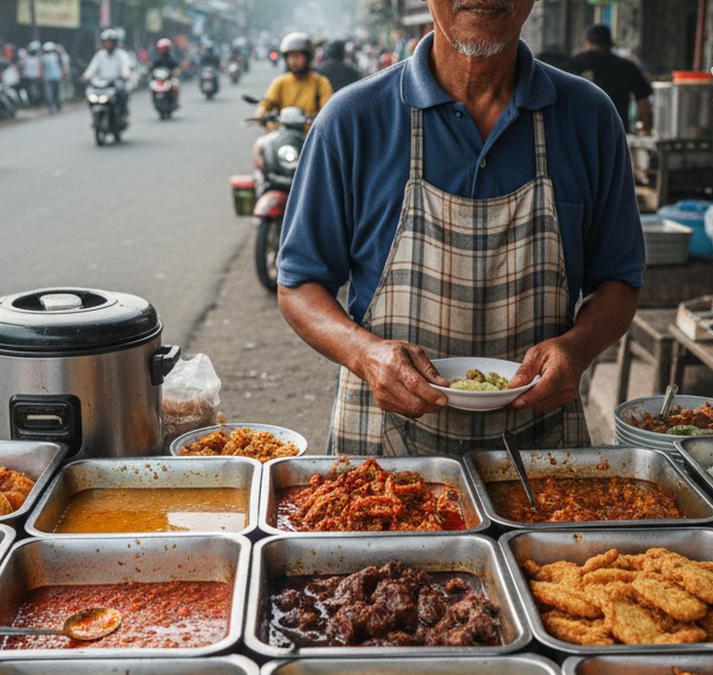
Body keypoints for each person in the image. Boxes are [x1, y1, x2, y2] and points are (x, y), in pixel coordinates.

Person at [275, 0, 644, 455]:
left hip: (539, 453)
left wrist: (579, 348)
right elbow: (299, 285)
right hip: (384, 455)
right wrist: (364, 354)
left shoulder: (589, 118)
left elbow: (619, 281)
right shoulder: (352, 119)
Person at [568, 24, 652, 134]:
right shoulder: (627, 66)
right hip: (617, 132)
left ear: (586, 43)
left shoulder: (576, 62)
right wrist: (646, 128)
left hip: (581, 132)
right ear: (610, 44)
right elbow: (643, 102)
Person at [256, 33, 331, 119]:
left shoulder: (320, 83)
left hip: (310, 131)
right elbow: (267, 103)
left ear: (308, 57)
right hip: (282, 130)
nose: (293, 61)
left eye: (297, 56)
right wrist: (260, 114)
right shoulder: (280, 81)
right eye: (290, 56)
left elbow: (327, 110)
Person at [83, 29, 133, 119]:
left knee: (122, 94)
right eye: (106, 42)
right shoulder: (100, 54)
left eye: (110, 42)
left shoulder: (121, 54)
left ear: (115, 43)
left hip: (116, 82)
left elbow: (125, 67)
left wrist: (125, 75)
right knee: (90, 94)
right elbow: (92, 67)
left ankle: (123, 114)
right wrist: (86, 76)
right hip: (101, 83)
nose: (108, 44)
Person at [149, 38, 180, 106]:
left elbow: (176, 68)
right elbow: (152, 67)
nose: (163, 49)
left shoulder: (172, 58)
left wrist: (175, 72)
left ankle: (175, 101)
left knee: (176, 86)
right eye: (162, 48)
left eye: (165, 48)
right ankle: (154, 100)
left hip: (169, 78)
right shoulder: (156, 59)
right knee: (151, 86)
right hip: (159, 79)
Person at [41, 41, 62, 112]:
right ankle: (55, 106)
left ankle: (54, 106)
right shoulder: (56, 56)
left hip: (51, 77)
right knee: (54, 93)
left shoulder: (44, 57)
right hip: (55, 77)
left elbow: (42, 68)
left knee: (52, 93)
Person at [20, 41, 43, 106]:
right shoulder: (28, 58)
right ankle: (34, 103)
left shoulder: (33, 58)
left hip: (33, 77)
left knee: (34, 91)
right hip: (31, 77)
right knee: (32, 91)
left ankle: (35, 103)